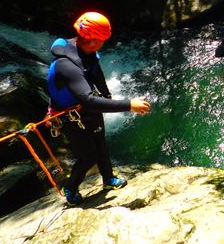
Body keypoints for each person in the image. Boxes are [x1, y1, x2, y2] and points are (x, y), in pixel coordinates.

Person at [47, 11, 151, 206]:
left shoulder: (86, 51)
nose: (104, 42)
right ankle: (71, 187)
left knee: (101, 144)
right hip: (70, 115)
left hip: (86, 107)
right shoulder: (66, 65)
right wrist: (128, 105)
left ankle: (108, 180)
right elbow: (87, 100)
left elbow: (95, 73)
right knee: (88, 155)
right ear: (93, 40)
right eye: (102, 39)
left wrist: (107, 96)